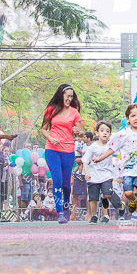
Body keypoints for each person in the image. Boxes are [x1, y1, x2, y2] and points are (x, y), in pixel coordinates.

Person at [40, 84, 83, 224]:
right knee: (57, 180)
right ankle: (59, 212)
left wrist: (78, 132)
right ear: (61, 95)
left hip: (68, 150)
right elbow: (43, 129)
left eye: (72, 97)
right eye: (67, 96)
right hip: (52, 149)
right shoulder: (51, 110)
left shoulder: (74, 112)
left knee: (66, 184)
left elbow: (80, 133)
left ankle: (66, 206)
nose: (69, 99)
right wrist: (51, 138)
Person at [108, 104, 137, 225]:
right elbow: (112, 148)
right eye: (133, 116)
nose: (136, 118)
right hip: (127, 169)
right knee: (128, 193)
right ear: (127, 119)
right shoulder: (123, 134)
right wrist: (100, 157)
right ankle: (133, 200)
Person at [82, 121, 117, 224]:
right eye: (102, 131)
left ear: (110, 134)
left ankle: (105, 215)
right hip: (94, 176)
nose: (104, 133)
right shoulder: (93, 147)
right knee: (93, 198)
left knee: (107, 194)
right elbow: (85, 160)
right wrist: (86, 173)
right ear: (97, 133)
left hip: (107, 175)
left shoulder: (111, 146)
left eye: (107, 131)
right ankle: (94, 216)